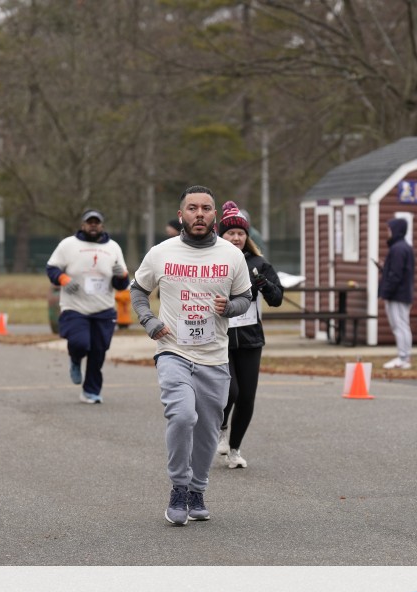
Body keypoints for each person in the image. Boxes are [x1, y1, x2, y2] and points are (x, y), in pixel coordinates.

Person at [130, 186, 252, 525]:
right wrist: (149, 320)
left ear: (215, 215)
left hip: (215, 356)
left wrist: (229, 307)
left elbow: (245, 298)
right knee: (183, 416)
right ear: (181, 214)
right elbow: (138, 289)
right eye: (193, 208)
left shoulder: (231, 255)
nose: (199, 214)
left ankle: (197, 490)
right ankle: (179, 488)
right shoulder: (161, 252)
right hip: (173, 351)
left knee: (209, 430)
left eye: (206, 208)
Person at [215, 201, 283, 469]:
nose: (236, 237)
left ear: (247, 236)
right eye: (230, 233)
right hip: (220, 336)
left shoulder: (258, 264)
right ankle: (221, 427)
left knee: (246, 396)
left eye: (240, 233)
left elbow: (277, 299)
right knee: (229, 391)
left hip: (250, 338)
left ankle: (234, 450)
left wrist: (265, 285)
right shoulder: (212, 261)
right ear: (221, 235)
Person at [46, 209, 129, 404]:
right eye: (89, 222)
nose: (93, 225)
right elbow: (52, 268)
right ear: (83, 225)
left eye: (96, 222)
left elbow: (121, 285)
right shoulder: (68, 245)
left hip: (103, 308)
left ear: (102, 225)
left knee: (98, 352)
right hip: (75, 306)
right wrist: (64, 279)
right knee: (80, 343)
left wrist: (122, 275)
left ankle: (90, 391)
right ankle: (75, 359)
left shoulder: (113, 247)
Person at [378, 217, 415, 369]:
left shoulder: (398, 249)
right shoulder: (403, 247)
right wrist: (384, 268)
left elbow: (396, 275)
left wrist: (385, 292)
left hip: (397, 295)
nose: (388, 232)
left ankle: (404, 357)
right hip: (402, 294)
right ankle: (404, 356)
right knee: (402, 325)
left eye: (389, 229)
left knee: (400, 325)